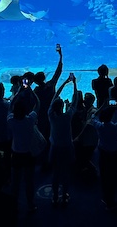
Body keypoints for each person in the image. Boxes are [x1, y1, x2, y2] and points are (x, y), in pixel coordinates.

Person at [93, 99, 117, 210]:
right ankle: (111, 198)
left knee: (104, 174)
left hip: (103, 153)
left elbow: (93, 117)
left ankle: (105, 196)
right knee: (113, 174)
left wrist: (101, 107)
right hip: (115, 153)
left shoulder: (100, 126)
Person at [48, 73, 77, 207]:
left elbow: (54, 98)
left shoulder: (51, 116)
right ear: (62, 107)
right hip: (66, 147)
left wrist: (64, 83)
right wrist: (74, 84)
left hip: (55, 148)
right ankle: (65, 195)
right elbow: (75, 100)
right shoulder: (67, 117)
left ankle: (54, 196)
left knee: (55, 173)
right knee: (65, 173)